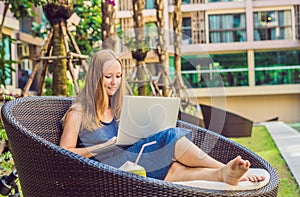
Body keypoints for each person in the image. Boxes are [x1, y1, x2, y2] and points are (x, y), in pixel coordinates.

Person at [60, 49, 265, 185]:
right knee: (170, 136)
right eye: (108, 77)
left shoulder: (119, 108)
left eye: (118, 76)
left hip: (131, 162)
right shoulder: (78, 113)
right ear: (96, 77)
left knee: (173, 169)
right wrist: (100, 147)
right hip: (106, 172)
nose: (114, 82)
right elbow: (63, 153)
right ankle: (224, 168)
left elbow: (126, 140)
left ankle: (223, 175)